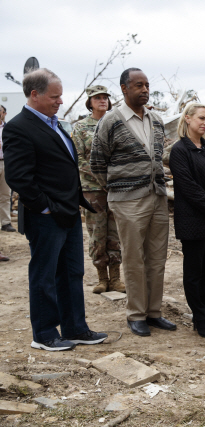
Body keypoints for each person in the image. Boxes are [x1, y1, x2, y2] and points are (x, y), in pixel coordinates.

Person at [3, 68, 107, 351]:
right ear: (34, 95)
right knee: (45, 275)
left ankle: (75, 328)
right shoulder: (18, 127)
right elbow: (18, 177)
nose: (60, 101)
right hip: (45, 216)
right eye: (55, 96)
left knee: (72, 272)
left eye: (61, 96)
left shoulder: (55, 124)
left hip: (69, 211)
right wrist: (44, 208)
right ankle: (45, 334)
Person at [91, 68, 175, 337]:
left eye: (147, 85)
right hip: (127, 201)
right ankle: (136, 314)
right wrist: (118, 187)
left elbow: (159, 156)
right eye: (138, 85)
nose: (145, 90)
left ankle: (154, 312)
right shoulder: (111, 121)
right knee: (134, 258)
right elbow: (97, 162)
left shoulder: (157, 120)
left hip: (157, 197)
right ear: (124, 89)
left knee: (157, 257)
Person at [169, 103, 205, 339]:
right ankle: (199, 319)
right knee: (194, 272)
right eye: (201, 118)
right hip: (193, 219)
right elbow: (187, 186)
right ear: (188, 119)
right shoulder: (180, 150)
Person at [72, 85, 123, 294]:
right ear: (90, 102)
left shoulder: (116, 124)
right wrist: (99, 176)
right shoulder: (80, 127)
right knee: (97, 233)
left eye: (105, 97)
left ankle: (116, 278)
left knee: (115, 232)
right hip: (93, 188)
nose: (102, 100)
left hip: (116, 187)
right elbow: (78, 157)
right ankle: (102, 277)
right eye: (97, 98)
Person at [0, 104, 16, 233]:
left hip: (6, 163)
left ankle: (6, 222)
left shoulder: (9, 128)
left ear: (4, 113)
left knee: (6, 195)